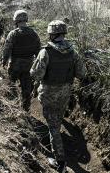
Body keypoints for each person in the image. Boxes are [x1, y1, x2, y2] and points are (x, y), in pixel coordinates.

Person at [30, 20, 87, 173]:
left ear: (51, 34)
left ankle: (60, 162)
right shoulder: (73, 51)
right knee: (57, 119)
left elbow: (36, 75)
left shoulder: (45, 52)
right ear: (63, 34)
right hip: (65, 93)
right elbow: (82, 73)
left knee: (53, 127)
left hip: (48, 94)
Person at [2, 10, 41, 111]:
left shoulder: (12, 34)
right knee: (26, 89)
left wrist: (4, 60)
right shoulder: (34, 34)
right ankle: (25, 109)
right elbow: (38, 51)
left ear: (16, 20)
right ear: (26, 19)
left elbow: (7, 49)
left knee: (11, 85)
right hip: (28, 65)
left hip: (15, 64)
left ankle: (11, 106)